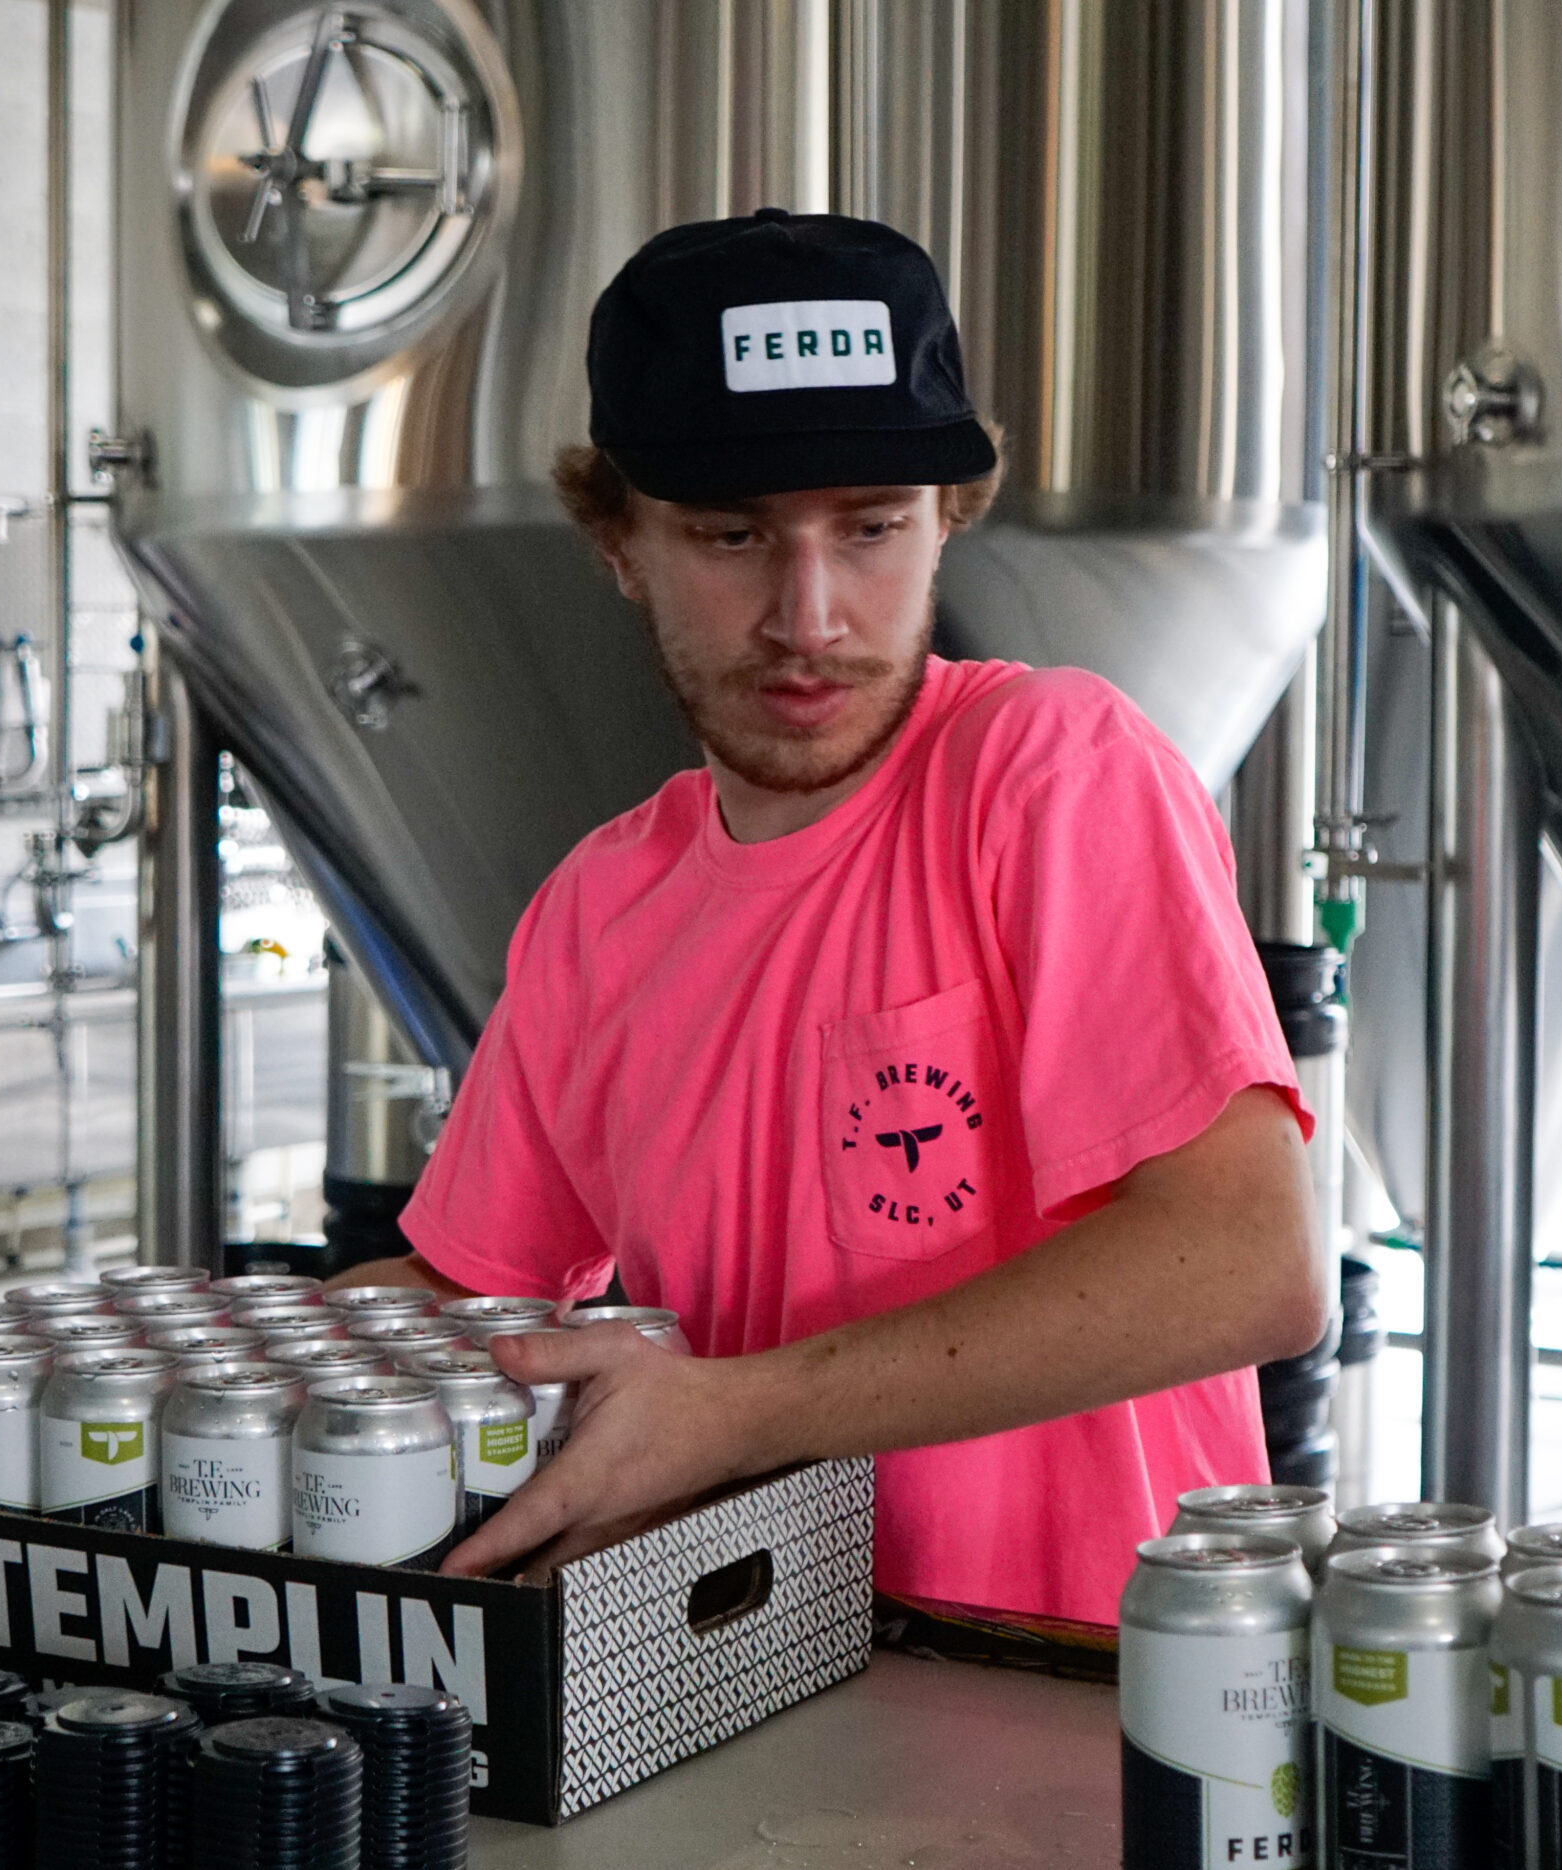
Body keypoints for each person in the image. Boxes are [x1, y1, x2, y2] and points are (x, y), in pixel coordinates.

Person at [332, 207, 1321, 1624]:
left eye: (869, 529)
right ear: (619, 542)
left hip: (1066, 1714)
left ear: (945, 524)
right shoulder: (600, 908)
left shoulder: (1047, 777)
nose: (810, 615)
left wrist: (742, 1412)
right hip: (729, 1704)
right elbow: (467, 1290)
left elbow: (1249, 1264)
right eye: (731, 535)